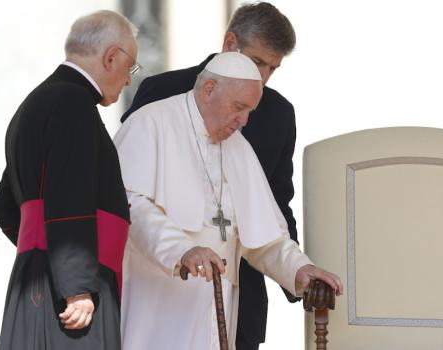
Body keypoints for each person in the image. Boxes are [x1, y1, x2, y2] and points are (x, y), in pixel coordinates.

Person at [114, 52, 343, 350]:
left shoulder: (237, 146)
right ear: (209, 89)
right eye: (238, 107)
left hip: (216, 310)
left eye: (250, 111)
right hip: (158, 310)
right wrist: (182, 250)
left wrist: (299, 268)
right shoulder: (151, 122)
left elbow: (264, 238)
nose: (243, 120)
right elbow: (131, 204)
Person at [121, 3, 299, 348]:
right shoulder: (160, 98)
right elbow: (128, 196)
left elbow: (273, 211)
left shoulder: (274, 116)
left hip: (233, 300)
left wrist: (298, 275)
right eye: (258, 62)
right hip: (159, 294)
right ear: (230, 43)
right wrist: (180, 250)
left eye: (272, 69)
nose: (262, 78)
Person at [0, 10, 139, 350]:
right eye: (130, 67)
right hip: (71, 297)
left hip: (36, 282)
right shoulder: (73, 103)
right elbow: (69, 194)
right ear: (111, 57)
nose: (129, 79)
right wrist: (76, 285)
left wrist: (43, 256)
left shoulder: (37, 101)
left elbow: (4, 206)